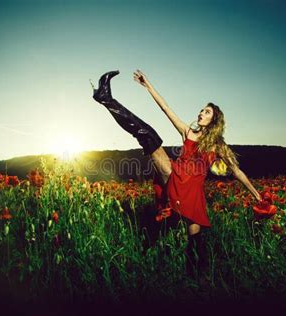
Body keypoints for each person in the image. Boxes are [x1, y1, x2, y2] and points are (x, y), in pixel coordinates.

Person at [91, 70, 262, 280]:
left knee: (195, 241)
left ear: (214, 120)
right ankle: (106, 98)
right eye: (201, 110)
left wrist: (257, 195)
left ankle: (197, 280)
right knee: (147, 134)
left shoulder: (218, 145)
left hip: (192, 193)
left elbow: (236, 171)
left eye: (206, 112)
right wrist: (148, 85)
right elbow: (165, 108)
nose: (201, 113)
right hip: (175, 176)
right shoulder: (187, 132)